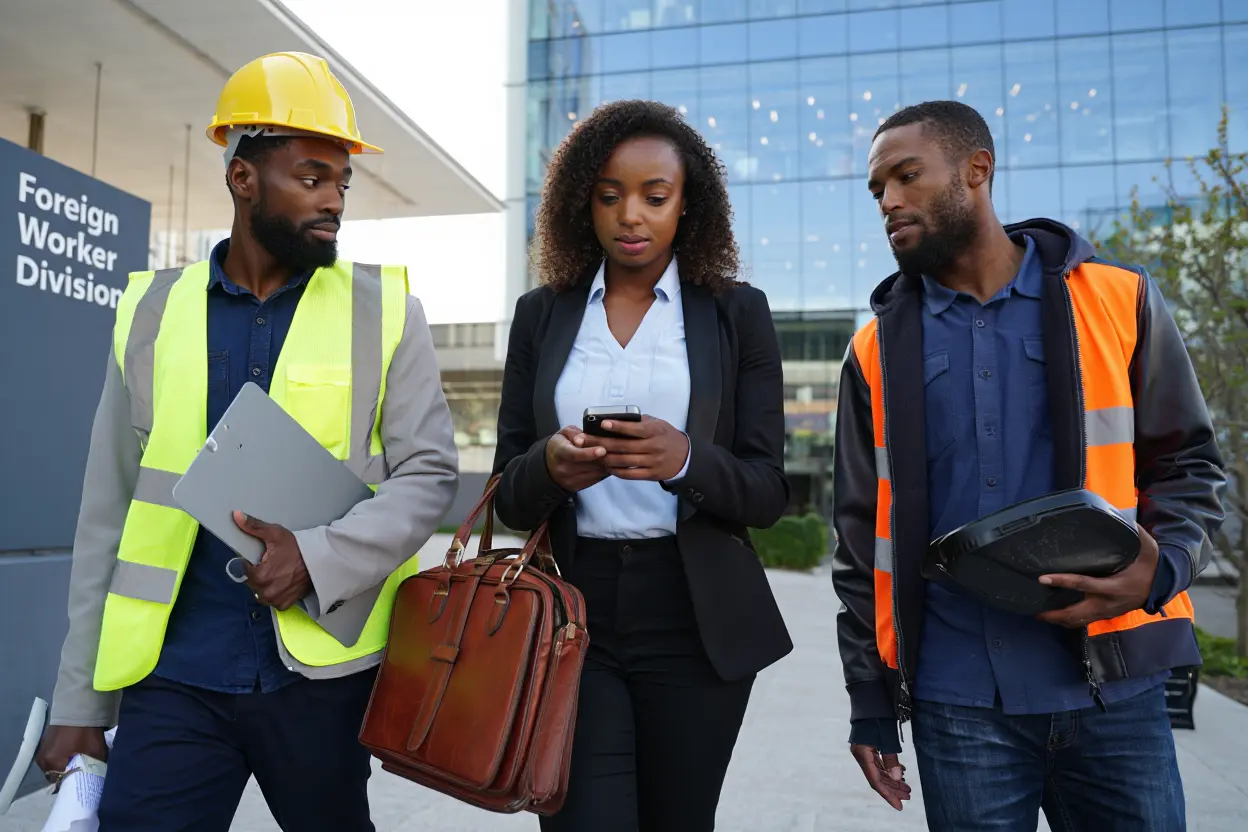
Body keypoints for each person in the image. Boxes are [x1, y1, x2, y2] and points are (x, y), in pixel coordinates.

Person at [33, 51, 458, 830]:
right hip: (174, 676)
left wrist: (320, 556)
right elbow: (108, 513)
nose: (333, 200)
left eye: (341, 182)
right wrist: (78, 702)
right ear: (244, 179)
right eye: (311, 177)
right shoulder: (152, 313)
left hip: (322, 680)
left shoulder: (386, 310)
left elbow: (428, 476)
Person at [832, 99, 1226, 830]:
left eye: (907, 176)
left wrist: (1161, 568)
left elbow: (1191, 466)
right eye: (877, 188)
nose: (888, 200)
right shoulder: (872, 353)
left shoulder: (1121, 299)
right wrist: (870, 703)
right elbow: (860, 545)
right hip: (959, 704)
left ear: (976, 171)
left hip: (1117, 689)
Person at [492, 99, 793, 831]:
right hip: (572, 610)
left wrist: (684, 459)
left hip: (694, 616)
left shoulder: (736, 312)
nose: (631, 215)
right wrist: (551, 467)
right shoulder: (543, 313)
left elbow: (767, 490)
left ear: (687, 207)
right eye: (609, 195)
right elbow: (506, 488)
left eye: (655, 197)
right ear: (581, 204)